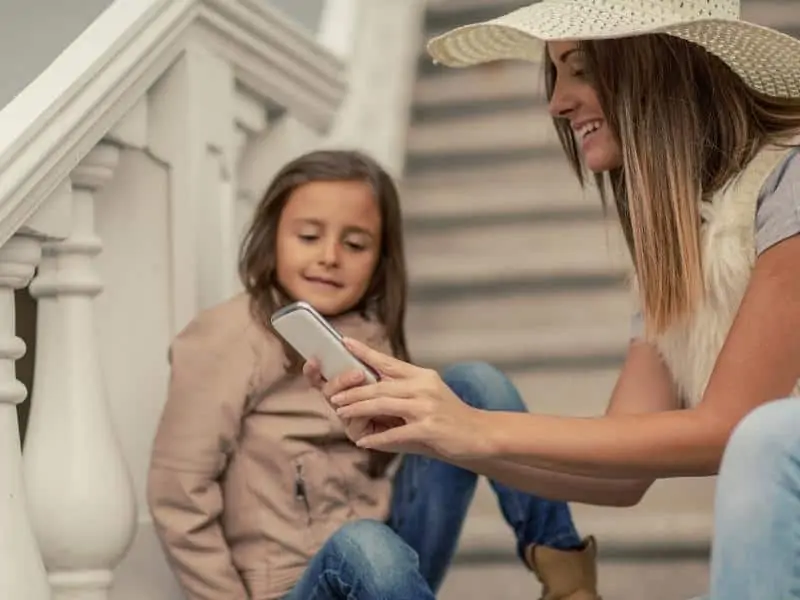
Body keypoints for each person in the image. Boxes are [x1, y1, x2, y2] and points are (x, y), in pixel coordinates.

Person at [304, 2, 800, 598]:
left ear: (659, 69)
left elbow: (730, 428)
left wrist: (476, 426)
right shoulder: (679, 250)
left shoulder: (788, 184)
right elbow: (623, 472)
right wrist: (434, 434)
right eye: (556, 74)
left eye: (581, 68)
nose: (557, 102)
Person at [146, 149, 601, 600]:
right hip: (290, 589)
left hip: (385, 572)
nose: (329, 256)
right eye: (308, 236)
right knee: (364, 542)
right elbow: (178, 493)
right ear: (272, 238)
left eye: (356, 244)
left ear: (381, 259)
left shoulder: (370, 339)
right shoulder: (229, 336)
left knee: (474, 385)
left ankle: (569, 581)